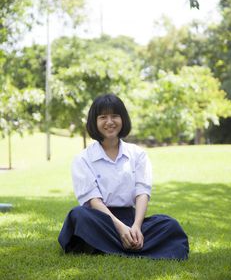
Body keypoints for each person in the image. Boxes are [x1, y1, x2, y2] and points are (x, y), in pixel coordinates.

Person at [58, 93, 189, 259]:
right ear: (94, 122)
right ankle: (131, 247)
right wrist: (121, 229)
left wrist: (136, 227)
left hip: (131, 219)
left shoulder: (138, 154)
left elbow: (142, 192)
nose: (110, 122)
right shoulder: (83, 159)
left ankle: (106, 247)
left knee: (169, 225)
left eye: (115, 116)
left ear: (123, 119)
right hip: (100, 221)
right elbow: (94, 201)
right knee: (78, 215)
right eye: (103, 117)